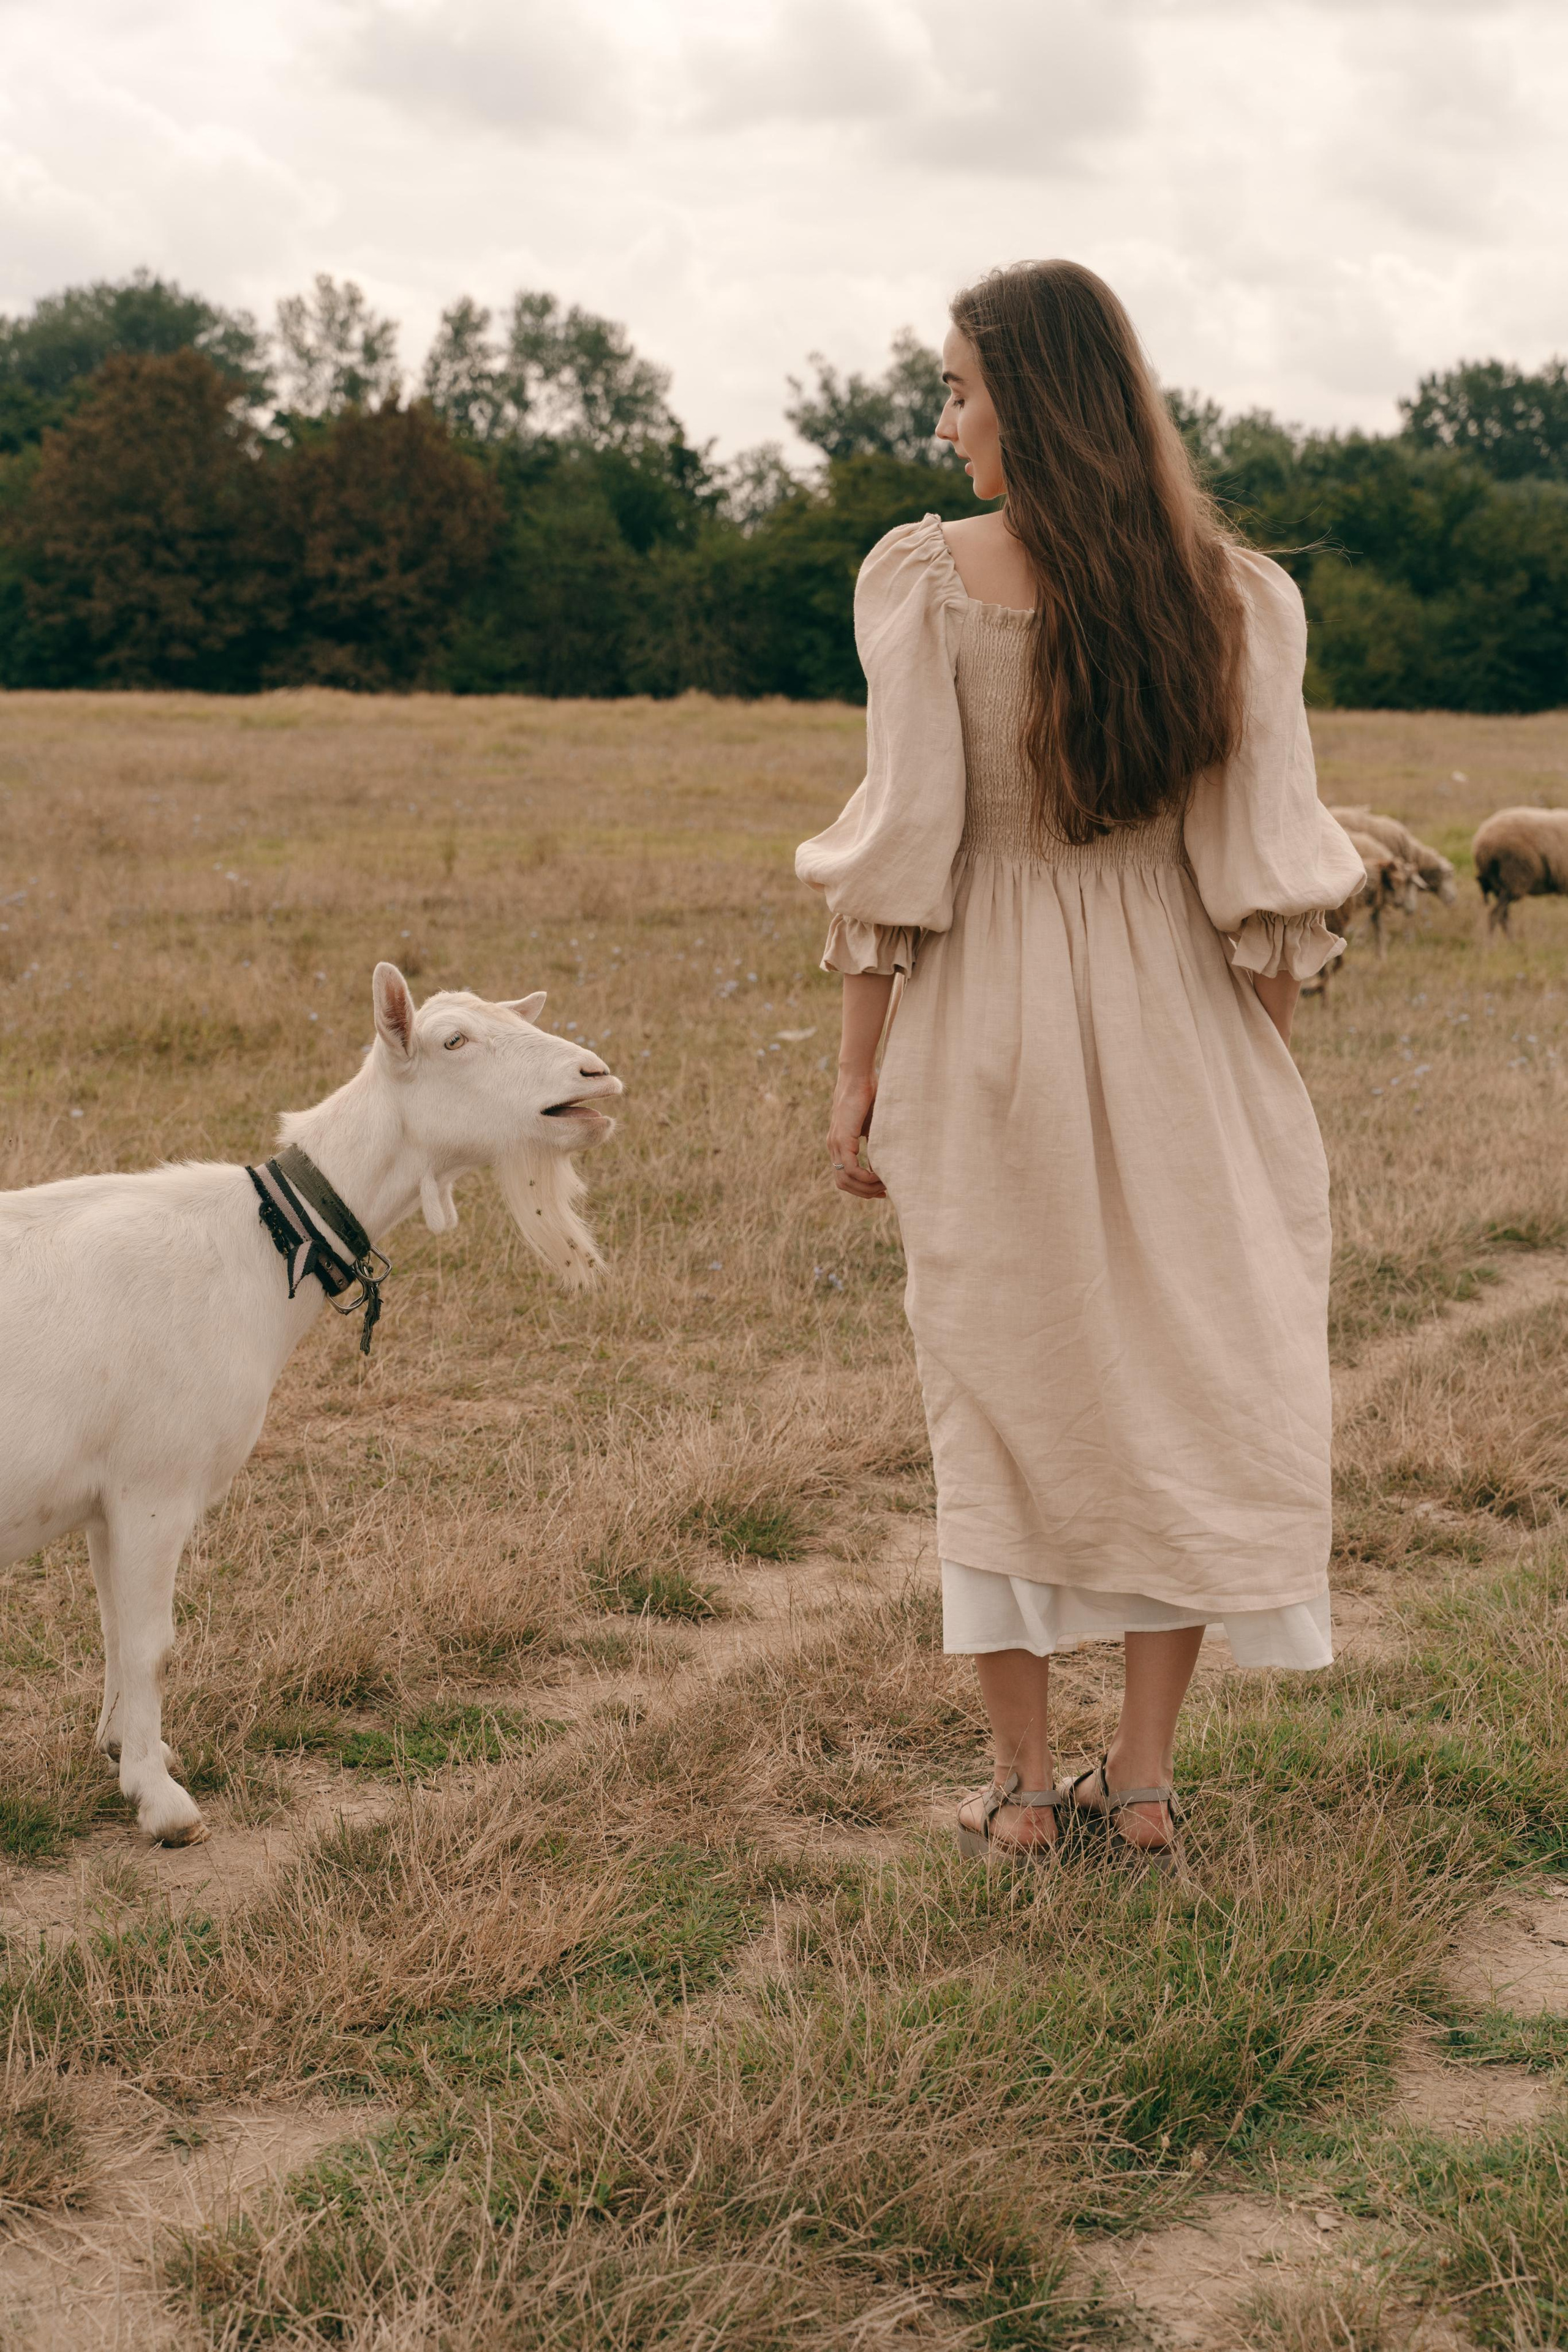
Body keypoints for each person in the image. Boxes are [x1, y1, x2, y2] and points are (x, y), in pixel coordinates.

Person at [796, 260, 1364, 1866]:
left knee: (1001, 1386)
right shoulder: (1233, 593)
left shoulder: (922, 582)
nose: (944, 417)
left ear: (1034, 400)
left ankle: (1026, 1790)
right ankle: (1152, 1777)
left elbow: (901, 861)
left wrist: (859, 1075)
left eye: (962, 385)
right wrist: (1264, 1083)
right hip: (1186, 1030)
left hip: (983, 1031)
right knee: (1181, 1380)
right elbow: (1265, 884)